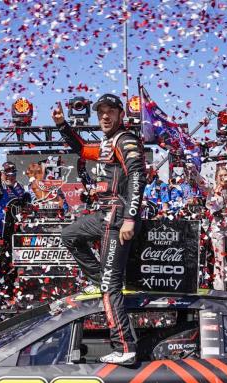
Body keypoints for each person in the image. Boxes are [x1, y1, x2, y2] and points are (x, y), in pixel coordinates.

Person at [54, 94, 146, 365]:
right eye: (101, 112)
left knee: (111, 286)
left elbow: (138, 176)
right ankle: (100, 280)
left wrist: (130, 217)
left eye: (110, 112)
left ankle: (125, 346)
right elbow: (83, 149)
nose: (105, 116)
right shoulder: (108, 142)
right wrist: (61, 125)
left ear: (120, 115)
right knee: (69, 235)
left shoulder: (125, 139)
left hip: (118, 218)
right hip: (103, 215)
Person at [0, 162, 30, 299]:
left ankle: (10, 290)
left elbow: (24, 204)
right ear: (3, 174)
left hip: (14, 230)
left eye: (13, 174)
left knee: (13, 261)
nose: (10, 177)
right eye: (7, 174)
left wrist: (26, 202)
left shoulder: (18, 187)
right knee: (0, 261)